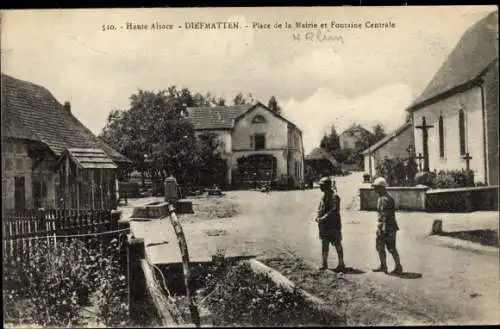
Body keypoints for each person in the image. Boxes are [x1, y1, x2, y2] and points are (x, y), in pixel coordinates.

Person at [371, 177, 403, 274]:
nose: (374, 189)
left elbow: (385, 214)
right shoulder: (383, 198)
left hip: (388, 227)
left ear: (381, 187)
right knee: (380, 247)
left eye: (376, 187)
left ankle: (398, 267)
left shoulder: (385, 199)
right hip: (385, 226)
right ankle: (383, 266)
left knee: (391, 247)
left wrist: (383, 228)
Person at [315, 177, 346, 272]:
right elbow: (320, 208)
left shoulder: (334, 196)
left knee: (337, 243)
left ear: (327, 186)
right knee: (324, 243)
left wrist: (323, 218)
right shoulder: (323, 196)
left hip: (333, 225)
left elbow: (334, 210)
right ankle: (324, 264)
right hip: (324, 226)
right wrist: (318, 216)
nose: (320, 187)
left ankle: (341, 264)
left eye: (322, 185)